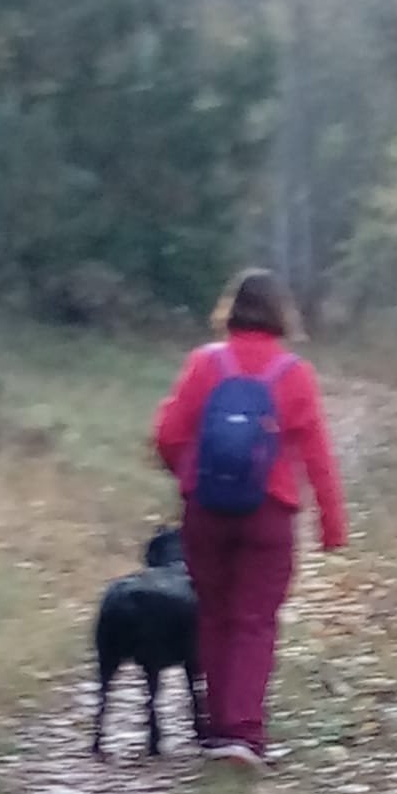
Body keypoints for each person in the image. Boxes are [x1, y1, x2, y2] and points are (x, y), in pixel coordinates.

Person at [154, 268, 347, 768]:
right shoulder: (294, 373)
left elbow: (168, 435)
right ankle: (244, 733)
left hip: (207, 512)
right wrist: (332, 522)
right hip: (270, 513)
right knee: (255, 622)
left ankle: (218, 730)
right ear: (283, 313)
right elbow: (318, 455)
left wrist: (192, 478)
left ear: (231, 310)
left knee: (215, 615)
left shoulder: (204, 364)